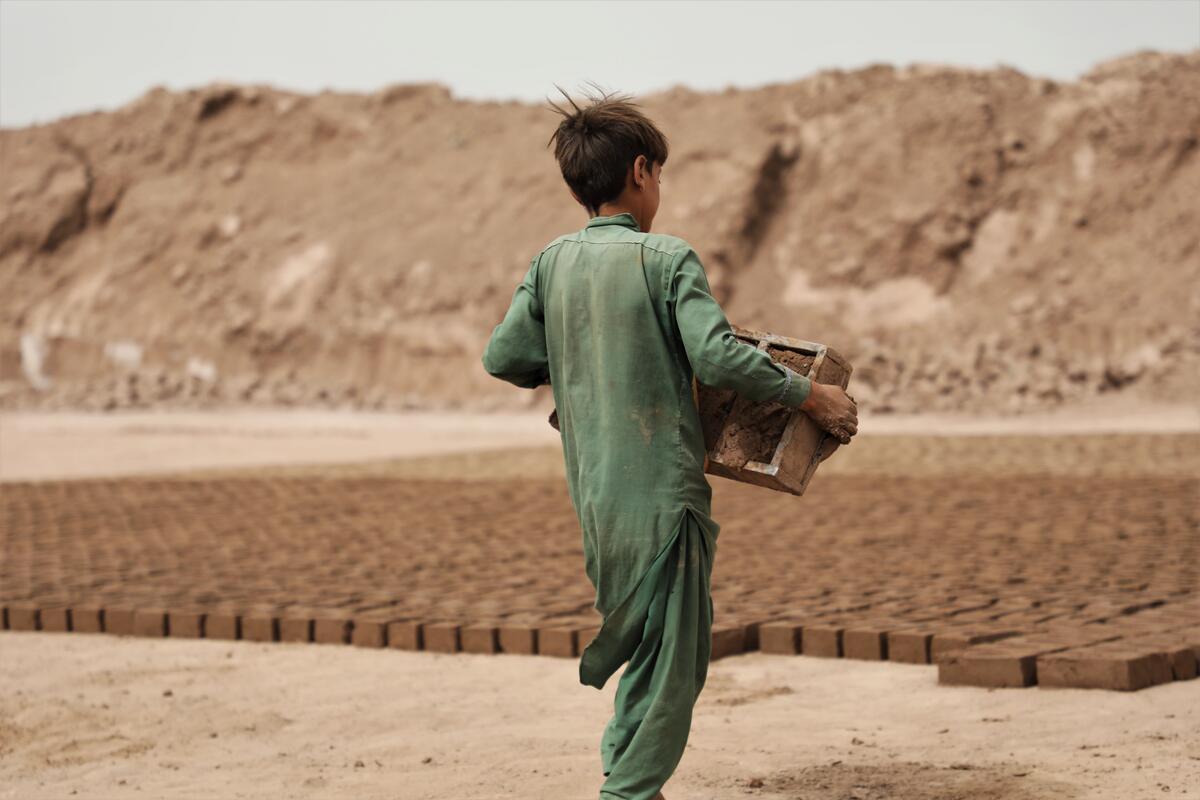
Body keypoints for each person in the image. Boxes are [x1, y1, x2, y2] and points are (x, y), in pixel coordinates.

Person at [481, 87, 858, 800]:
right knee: (675, 658)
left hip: (595, 495)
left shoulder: (550, 263)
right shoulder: (666, 260)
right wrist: (812, 394)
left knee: (649, 650)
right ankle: (626, 792)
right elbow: (716, 359)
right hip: (664, 491)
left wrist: (576, 358)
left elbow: (503, 358)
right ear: (644, 171)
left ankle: (629, 778)